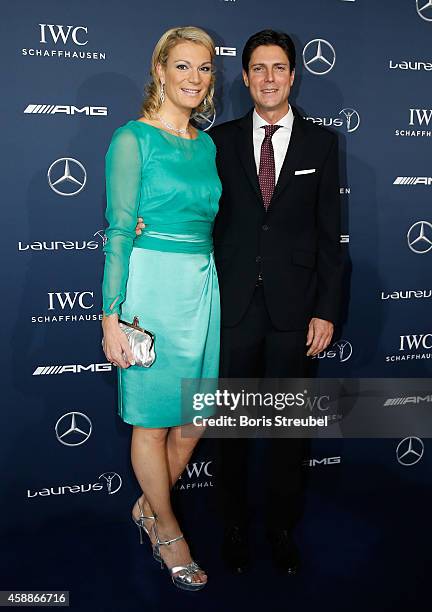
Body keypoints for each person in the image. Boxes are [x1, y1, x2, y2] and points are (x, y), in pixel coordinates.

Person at [136, 29, 342, 575]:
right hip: (225, 309)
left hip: (294, 314)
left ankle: (280, 531)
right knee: (226, 430)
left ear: (293, 76)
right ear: (245, 77)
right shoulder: (216, 141)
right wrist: (143, 222)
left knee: (285, 434)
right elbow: (188, 203)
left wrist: (325, 310)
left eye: (279, 68)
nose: (268, 78)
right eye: (257, 68)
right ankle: (231, 527)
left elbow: (330, 236)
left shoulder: (322, 143)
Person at [101, 26, 221, 591]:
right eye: (183, 66)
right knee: (152, 421)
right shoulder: (132, 139)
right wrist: (110, 317)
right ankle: (168, 530)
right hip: (150, 286)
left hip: (202, 285)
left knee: (195, 420)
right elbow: (120, 232)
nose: (194, 78)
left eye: (204, 68)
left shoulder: (208, 144)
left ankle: (148, 507)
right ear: (159, 71)